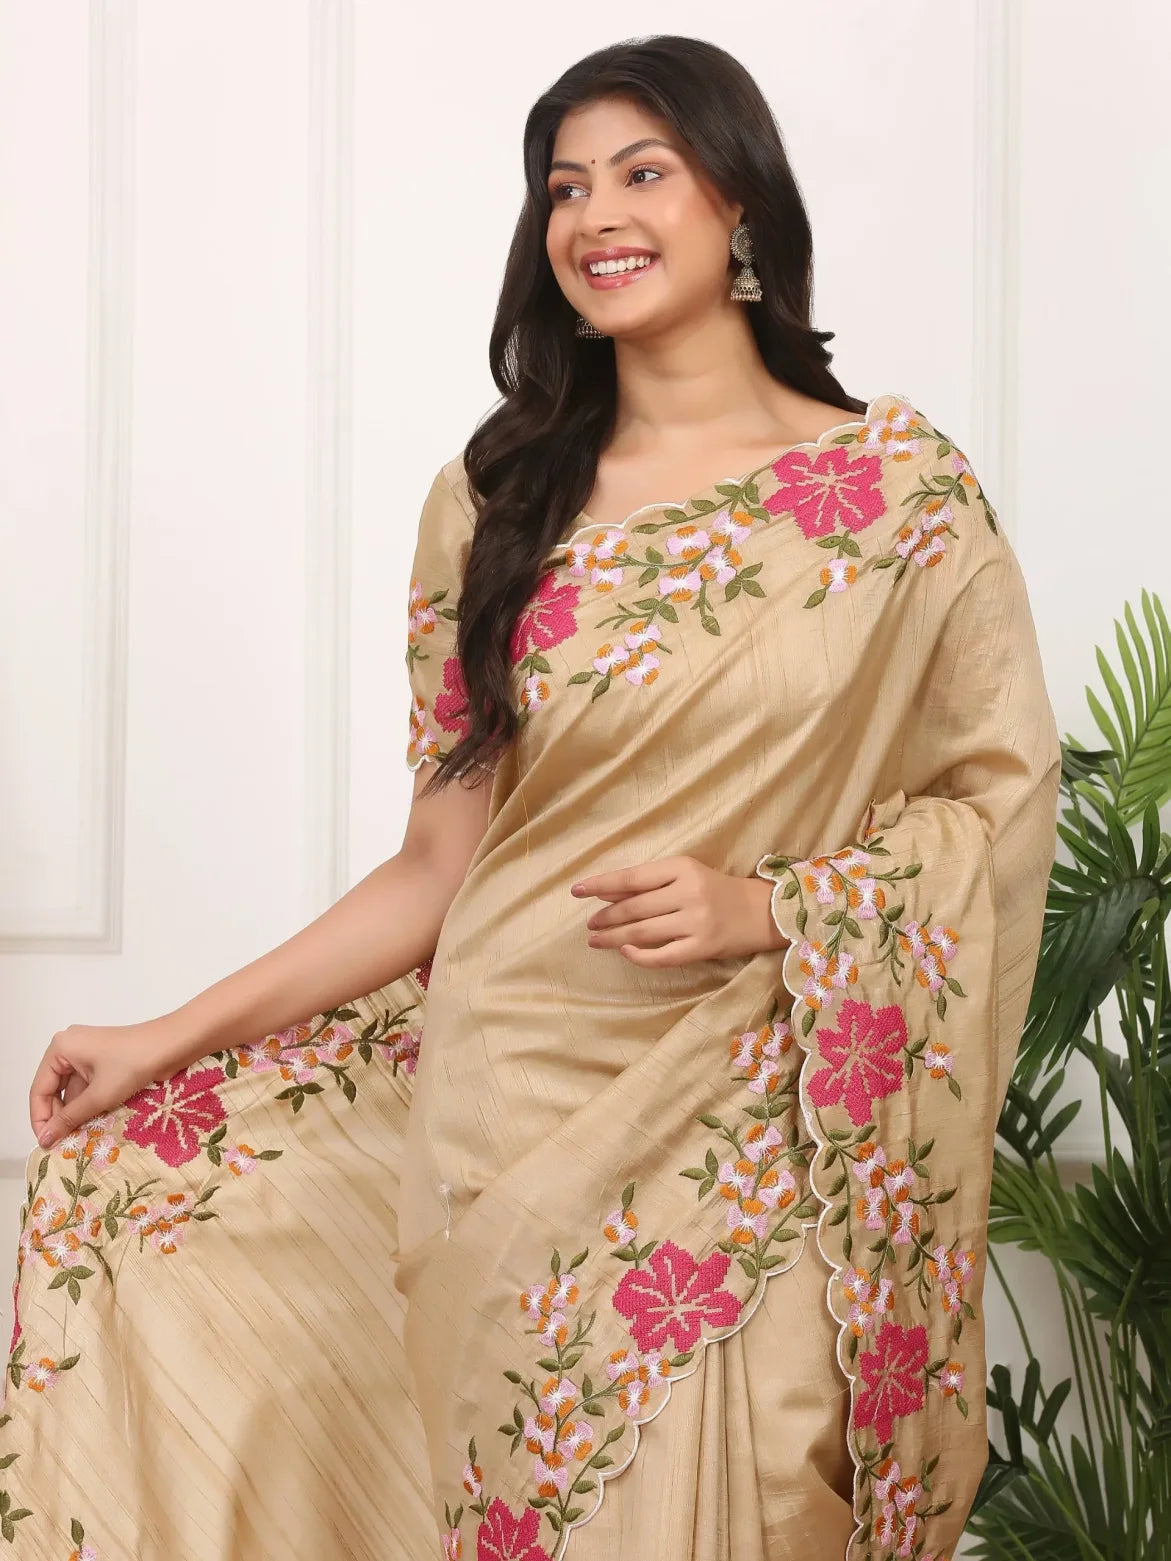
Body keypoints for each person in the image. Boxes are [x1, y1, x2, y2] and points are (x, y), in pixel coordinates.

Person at [2, 34, 1060, 1561]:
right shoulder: (498, 500)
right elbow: (442, 859)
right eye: (564, 187)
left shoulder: (902, 502)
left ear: (740, 204)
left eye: (643, 172)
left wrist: (773, 908)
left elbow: (996, 810)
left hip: (757, 1121)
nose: (594, 216)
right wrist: (161, 1038)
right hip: (505, 1108)